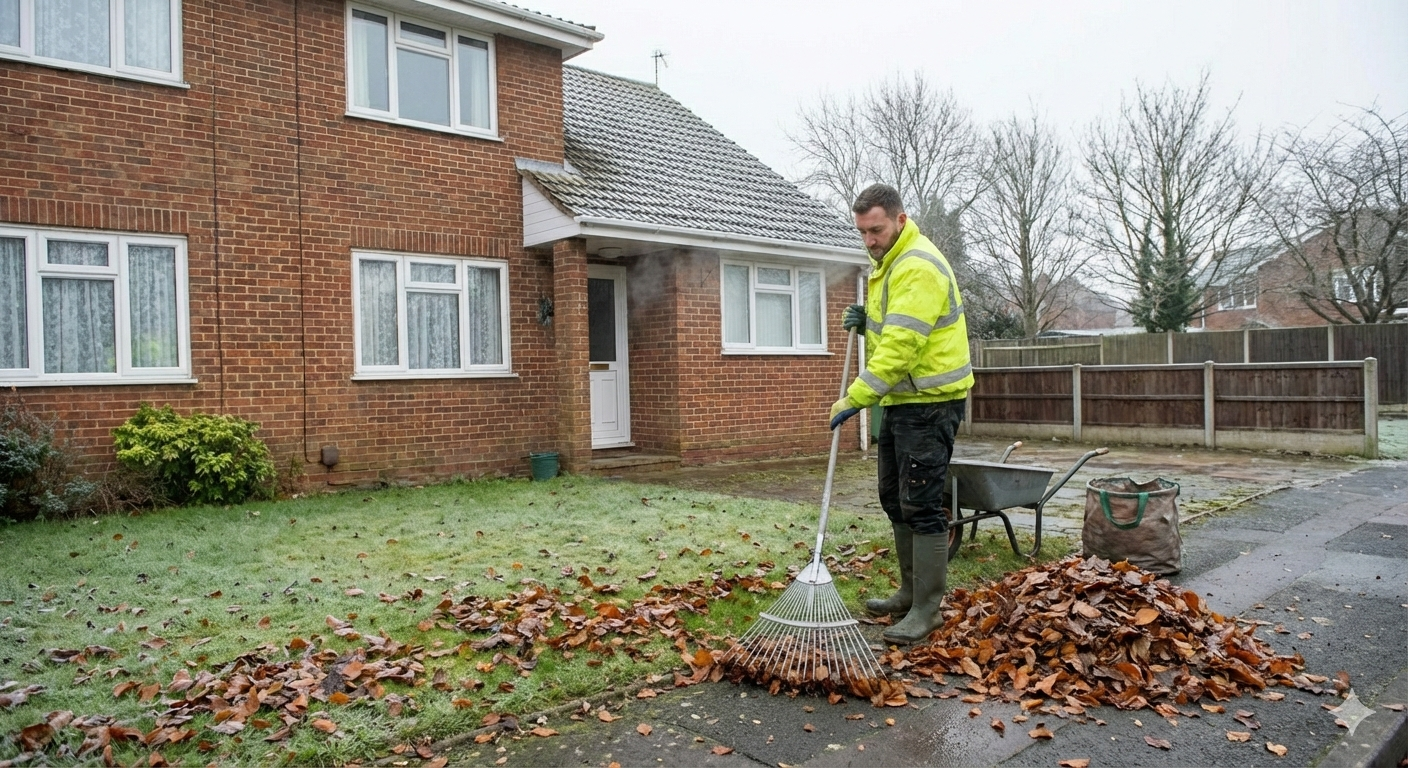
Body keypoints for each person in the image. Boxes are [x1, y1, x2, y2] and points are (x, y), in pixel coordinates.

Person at [829, 183, 973, 645]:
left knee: (923, 503)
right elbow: (892, 328)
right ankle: (910, 593)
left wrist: (855, 397)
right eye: (863, 233)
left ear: (900, 220)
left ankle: (928, 609)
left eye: (876, 230)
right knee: (895, 498)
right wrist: (866, 319)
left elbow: (902, 346)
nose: (869, 241)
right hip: (902, 402)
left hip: (931, 404)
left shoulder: (916, 266)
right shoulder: (889, 264)